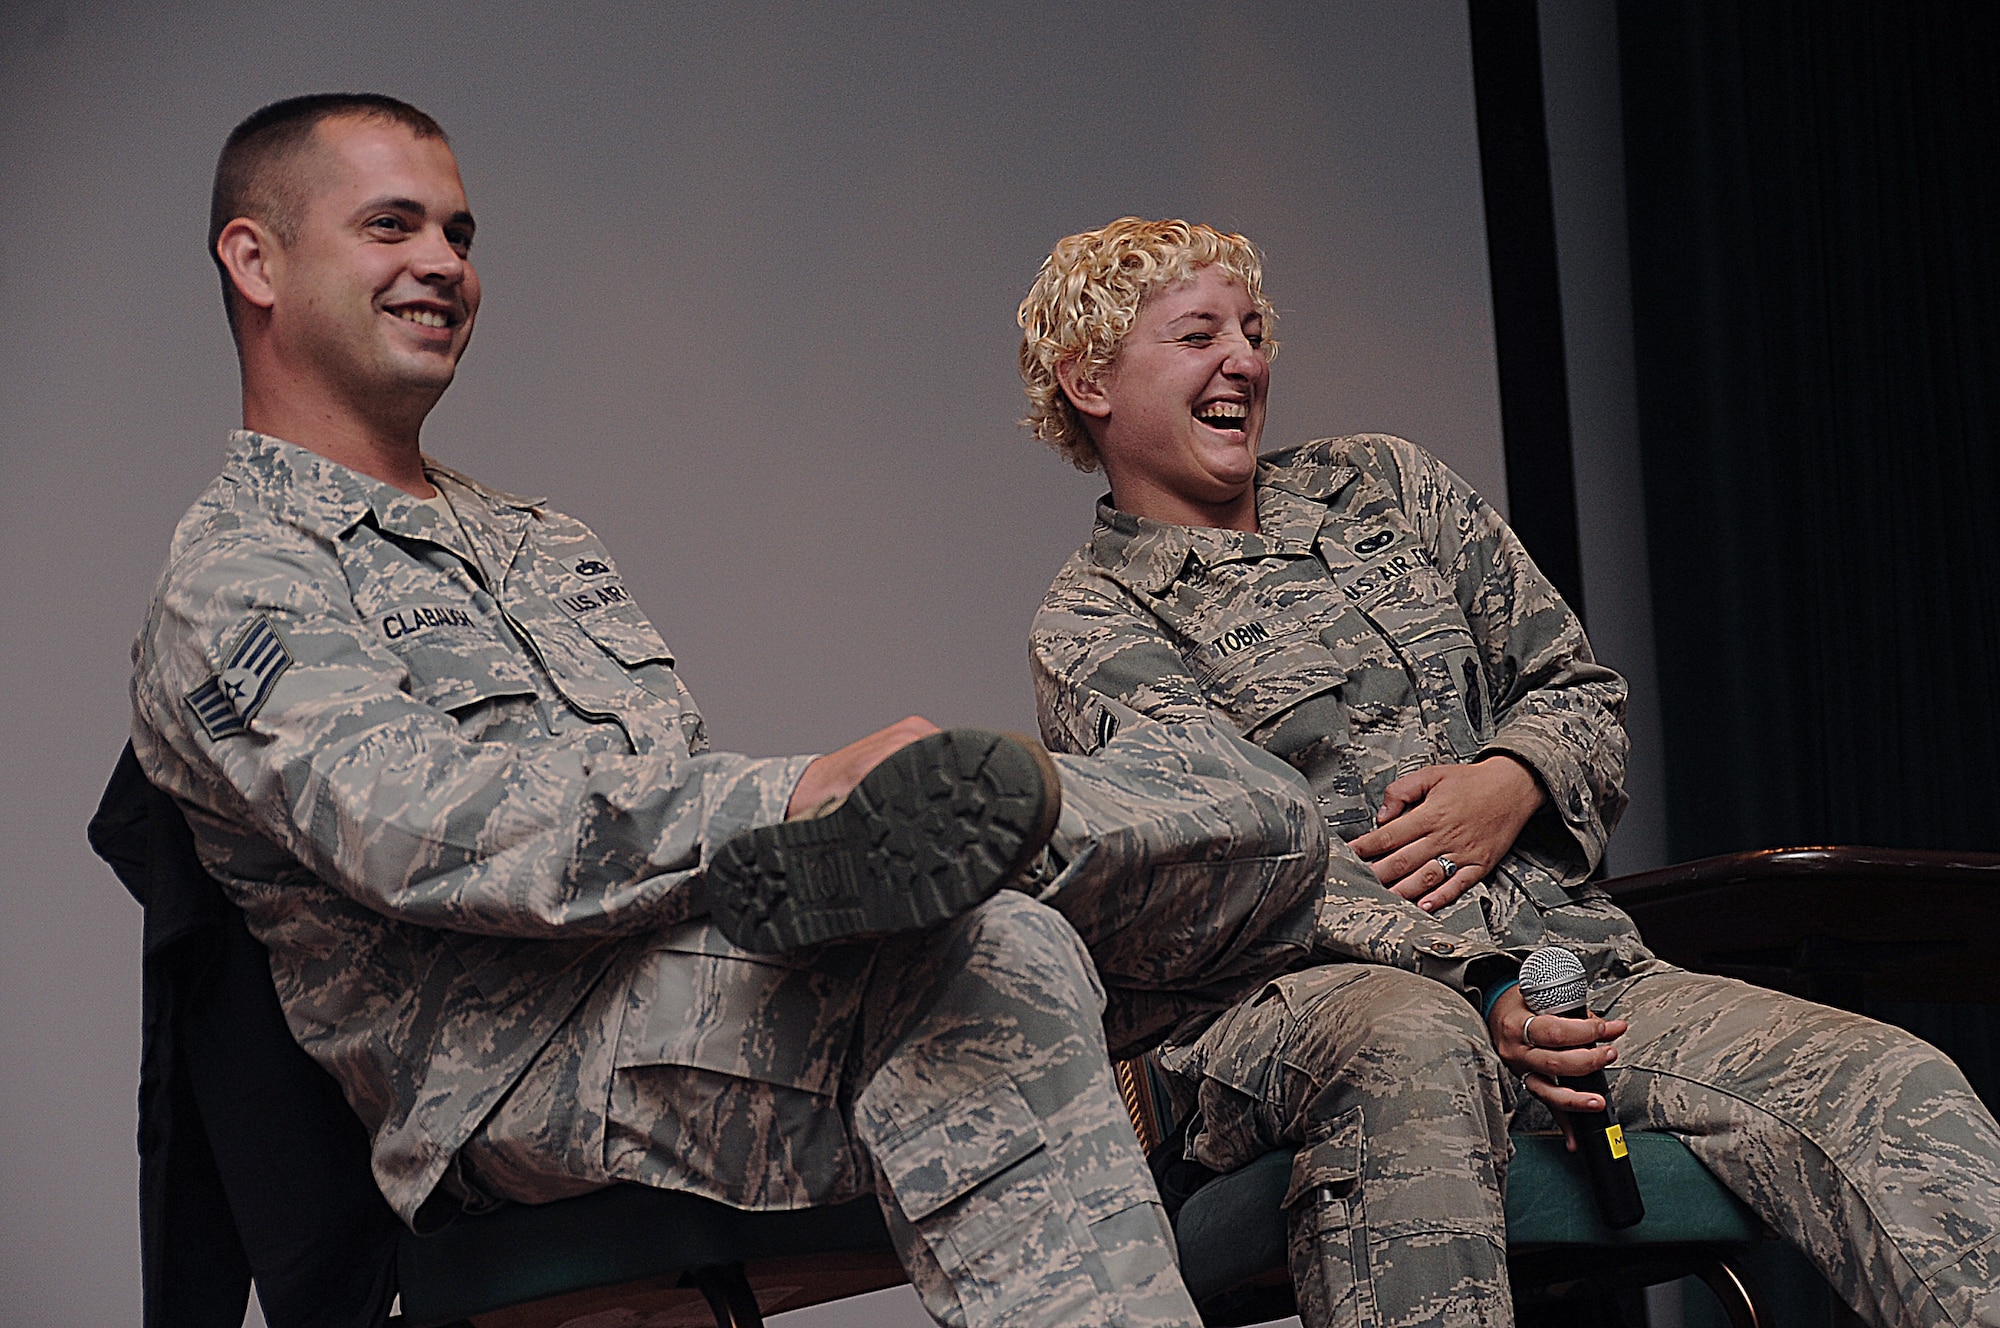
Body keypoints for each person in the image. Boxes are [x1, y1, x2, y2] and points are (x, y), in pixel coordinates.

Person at [130, 101, 1332, 1328]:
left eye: (458, 231)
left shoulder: (539, 540)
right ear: (256, 258)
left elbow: (662, 783)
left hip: (690, 956)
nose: (445, 261)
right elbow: (416, 828)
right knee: (992, 961)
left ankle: (1043, 838)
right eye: (393, 225)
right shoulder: (235, 573)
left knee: (1259, 822)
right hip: (514, 1064)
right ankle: (971, 861)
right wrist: (790, 797)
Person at [1021, 217, 2000, 1328]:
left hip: (1576, 980)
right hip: (1294, 1014)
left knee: (1890, 1086)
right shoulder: (1091, 619)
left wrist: (1510, 778)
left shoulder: (1384, 486)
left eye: (1249, 331)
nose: (1242, 359)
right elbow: (1242, 856)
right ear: (1088, 379)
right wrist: (1479, 983)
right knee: (1411, 1032)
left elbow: (1579, 692)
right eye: (1195, 335)